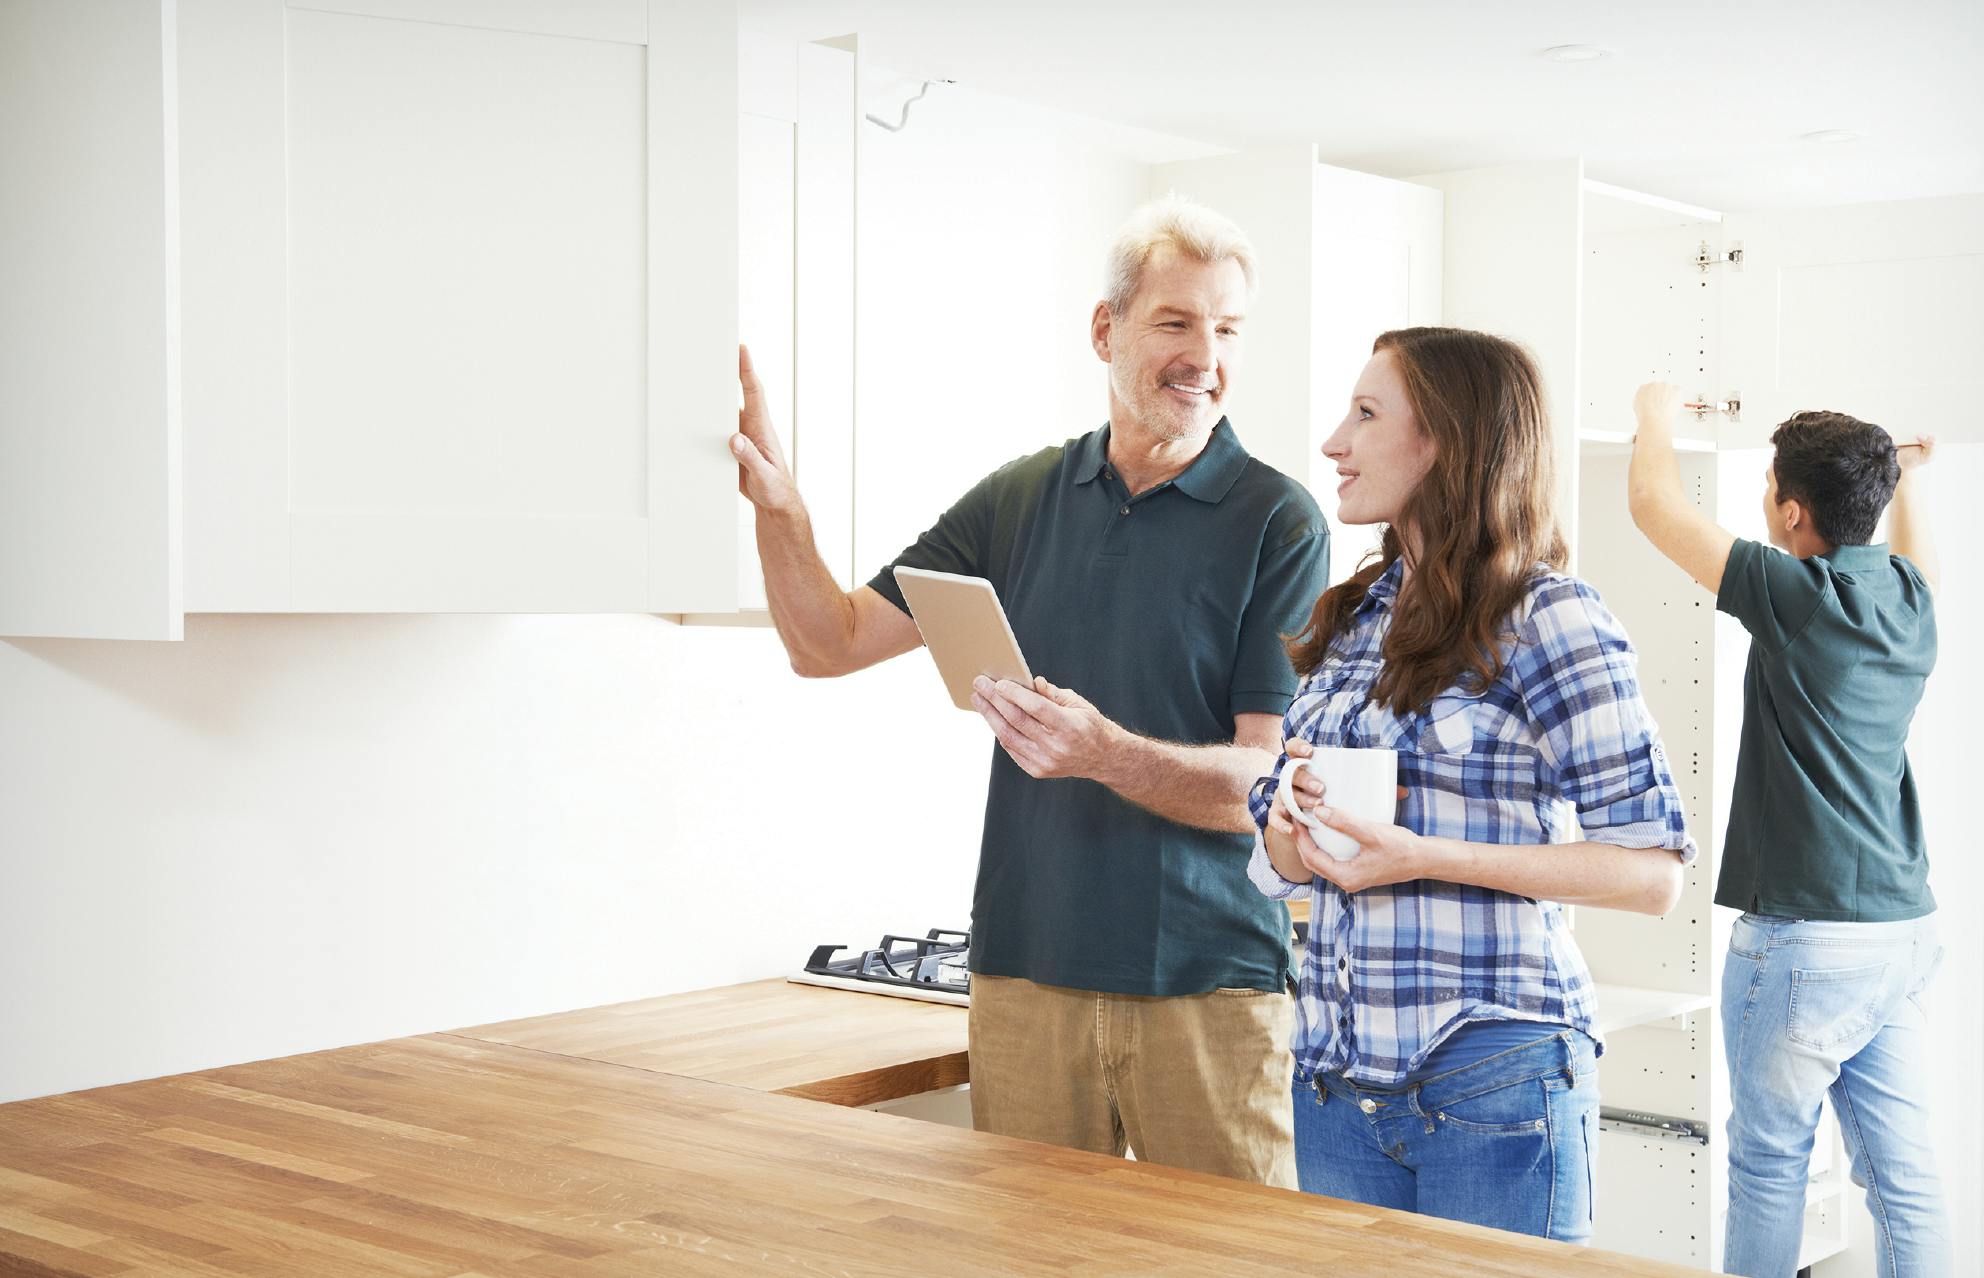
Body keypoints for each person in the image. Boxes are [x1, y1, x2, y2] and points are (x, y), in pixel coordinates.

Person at [729, 196, 1329, 1186]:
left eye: (1227, 329)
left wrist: (1101, 752)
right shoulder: (1019, 497)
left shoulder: (1276, 520)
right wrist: (780, 510)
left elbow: (1262, 785)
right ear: (1106, 329)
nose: (1205, 355)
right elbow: (824, 644)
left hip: (1207, 986)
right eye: (1176, 321)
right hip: (1023, 975)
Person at [1252, 327, 1694, 1243]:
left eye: (1366, 414)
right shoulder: (1353, 618)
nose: (1334, 441)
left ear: (1447, 440)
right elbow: (1286, 837)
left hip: (1492, 1078)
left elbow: (1651, 872)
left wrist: (1419, 857)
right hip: (1337, 1082)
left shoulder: (1548, 616)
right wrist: (1289, 828)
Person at [1627, 385, 1947, 1277]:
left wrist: (1652, 410)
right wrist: (1908, 482)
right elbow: (1911, 551)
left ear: (1791, 510)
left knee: (1770, 1166)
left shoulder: (1796, 593)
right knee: (1904, 1178)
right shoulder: (1910, 599)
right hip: (1902, 933)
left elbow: (1653, 504)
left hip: (1807, 940)